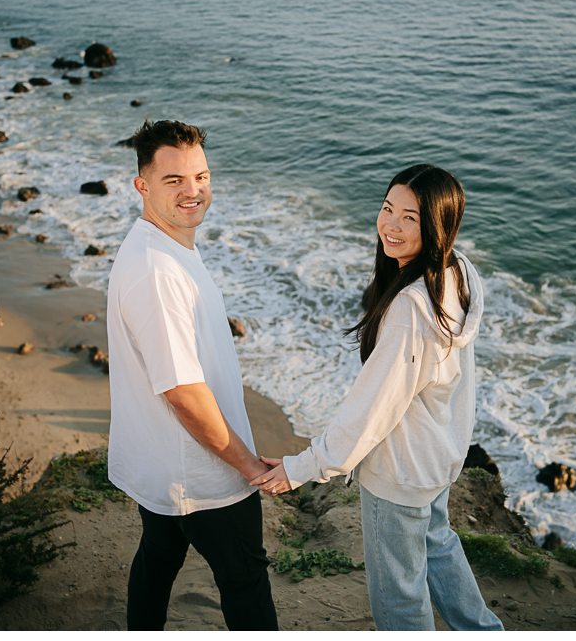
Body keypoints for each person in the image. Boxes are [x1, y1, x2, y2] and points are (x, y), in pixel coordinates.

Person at [251, 164, 503, 632]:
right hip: (435, 458)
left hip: (401, 470)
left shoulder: (411, 308)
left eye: (411, 218)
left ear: (436, 227)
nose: (391, 225)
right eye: (388, 209)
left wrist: (301, 468)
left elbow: (370, 412)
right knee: (437, 545)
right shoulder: (458, 272)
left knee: (399, 599)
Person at [106, 120, 278, 632]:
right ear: (142, 185)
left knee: (157, 561)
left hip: (165, 464)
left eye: (201, 176)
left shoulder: (165, 244)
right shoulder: (157, 271)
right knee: (246, 581)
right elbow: (182, 391)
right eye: (174, 180)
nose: (193, 191)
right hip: (201, 475)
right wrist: (248, 466)